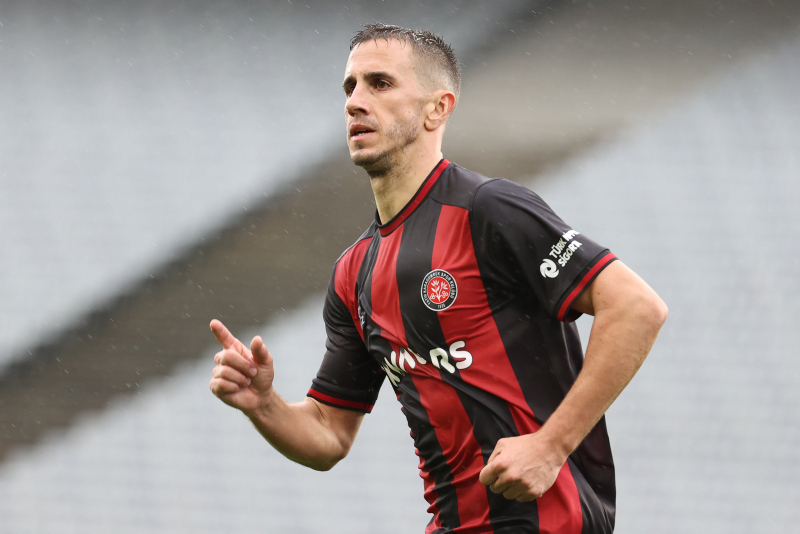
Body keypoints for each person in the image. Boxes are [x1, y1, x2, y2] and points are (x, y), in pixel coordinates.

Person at [209, 23, 668, 534]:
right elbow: (329, 434)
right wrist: (265, 405)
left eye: (380, 84)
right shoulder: (353, 273)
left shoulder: (489, 210)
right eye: (350, 87)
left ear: (437, 109)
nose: (355, 102)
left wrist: (551, 445)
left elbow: (637, 308)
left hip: (548, 521)